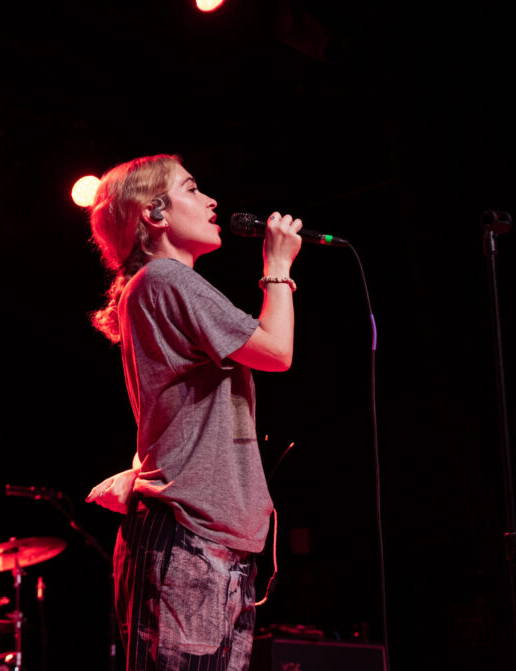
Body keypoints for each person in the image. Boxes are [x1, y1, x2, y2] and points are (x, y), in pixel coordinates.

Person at [84, 154, 303, 670]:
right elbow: (276, 352)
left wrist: (143, 469)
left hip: (205, 538)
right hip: (189, 537)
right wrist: (277, 269)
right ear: (154, 213)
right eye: (191, 189)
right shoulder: (165, 278)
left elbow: (169, 410)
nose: (211, 201)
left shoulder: (158, 286)